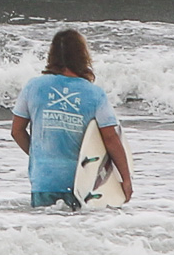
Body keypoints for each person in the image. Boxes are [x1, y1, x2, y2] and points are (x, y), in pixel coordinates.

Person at [11, 28, 132, 208]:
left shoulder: (34, 87)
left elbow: (16, 131)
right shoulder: (94, 94)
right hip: (81, 182)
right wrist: (126, 178)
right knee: (77, 232)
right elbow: (110, 138)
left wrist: (39, 157)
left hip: (43, 180)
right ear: (82, 56)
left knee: (45, 233)